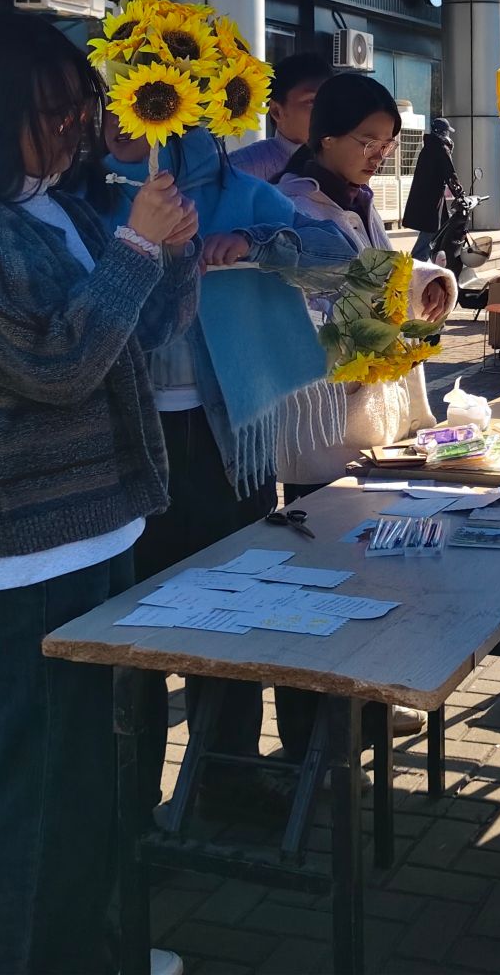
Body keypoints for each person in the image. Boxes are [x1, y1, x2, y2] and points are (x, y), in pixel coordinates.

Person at [0, 11, 200, 975]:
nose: (76, 132)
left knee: (98, 767)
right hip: (31, 539)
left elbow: (137, 337)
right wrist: (136, 250)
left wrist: (173, 248)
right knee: (46, 770)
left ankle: (88, 945)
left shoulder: (55, 210)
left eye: (83, 110)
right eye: (55, 114)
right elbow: (59, 365)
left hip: (99, 522)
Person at [84, 113, 356, 815]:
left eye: (146, 109)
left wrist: (259, 243)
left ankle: (226, 781)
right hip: (124, 443)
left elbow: (338, 252)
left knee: (234, 610)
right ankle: (129, 798)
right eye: (111, 110)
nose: (121, 127)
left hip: (228, 444)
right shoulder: (88, 193)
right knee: (130, 629)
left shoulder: (238, 192)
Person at [273, 73, 456, 747]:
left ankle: (366, 703)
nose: (379, 154)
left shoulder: (354, 199)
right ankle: (317, 731)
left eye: (387, 143)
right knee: (322, 581)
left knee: (368, 574)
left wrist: (425, 284)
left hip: (365, 412)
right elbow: (325, 303)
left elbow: (378, 274)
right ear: (326, 137)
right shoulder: (294, 206)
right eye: (367, 140)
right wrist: (402, 295)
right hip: (322, 419)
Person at [229, 49, 332, 183]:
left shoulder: (345, 162)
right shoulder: (241, 170)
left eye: (330, 101)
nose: (326, 110)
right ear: (276, 111)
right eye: (311, 101)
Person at [401, 114, 460, 259]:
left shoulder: (429, 147)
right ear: (443, 132)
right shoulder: (441, 148)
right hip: (432, 198)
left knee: (440, 227)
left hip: (426, 195)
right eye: (447, 132)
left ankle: (433, 258)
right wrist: (460, 194)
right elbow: (450, 173)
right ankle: (417, 260)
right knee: (430, 230)